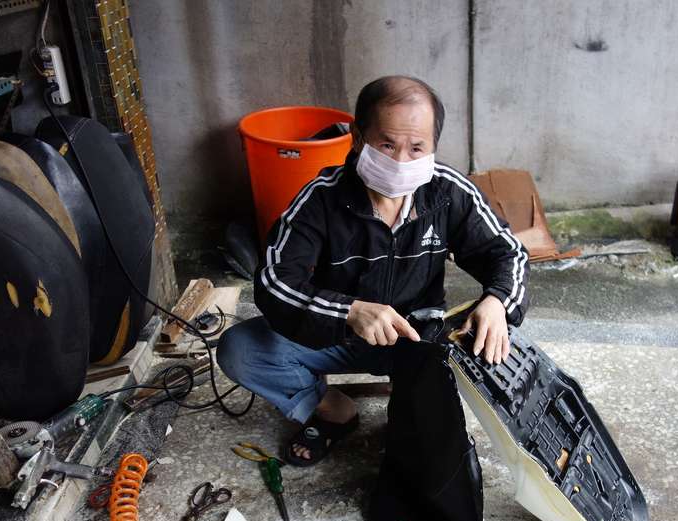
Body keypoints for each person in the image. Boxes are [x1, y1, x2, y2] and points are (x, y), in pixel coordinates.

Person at [217, 75, 528, 465]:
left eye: (417, 148)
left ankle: (411, 402)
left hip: (417, 337)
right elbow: (274, 280)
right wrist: (348, 311)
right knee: (240, 350)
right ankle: (332, 410)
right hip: (337, 336)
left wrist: (498, 301)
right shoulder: (321, 198)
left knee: (485, 359)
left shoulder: (448, 192)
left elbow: (509, 253)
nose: (401, 161)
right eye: (387, 145)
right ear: (357, 138)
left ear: (433, 147)